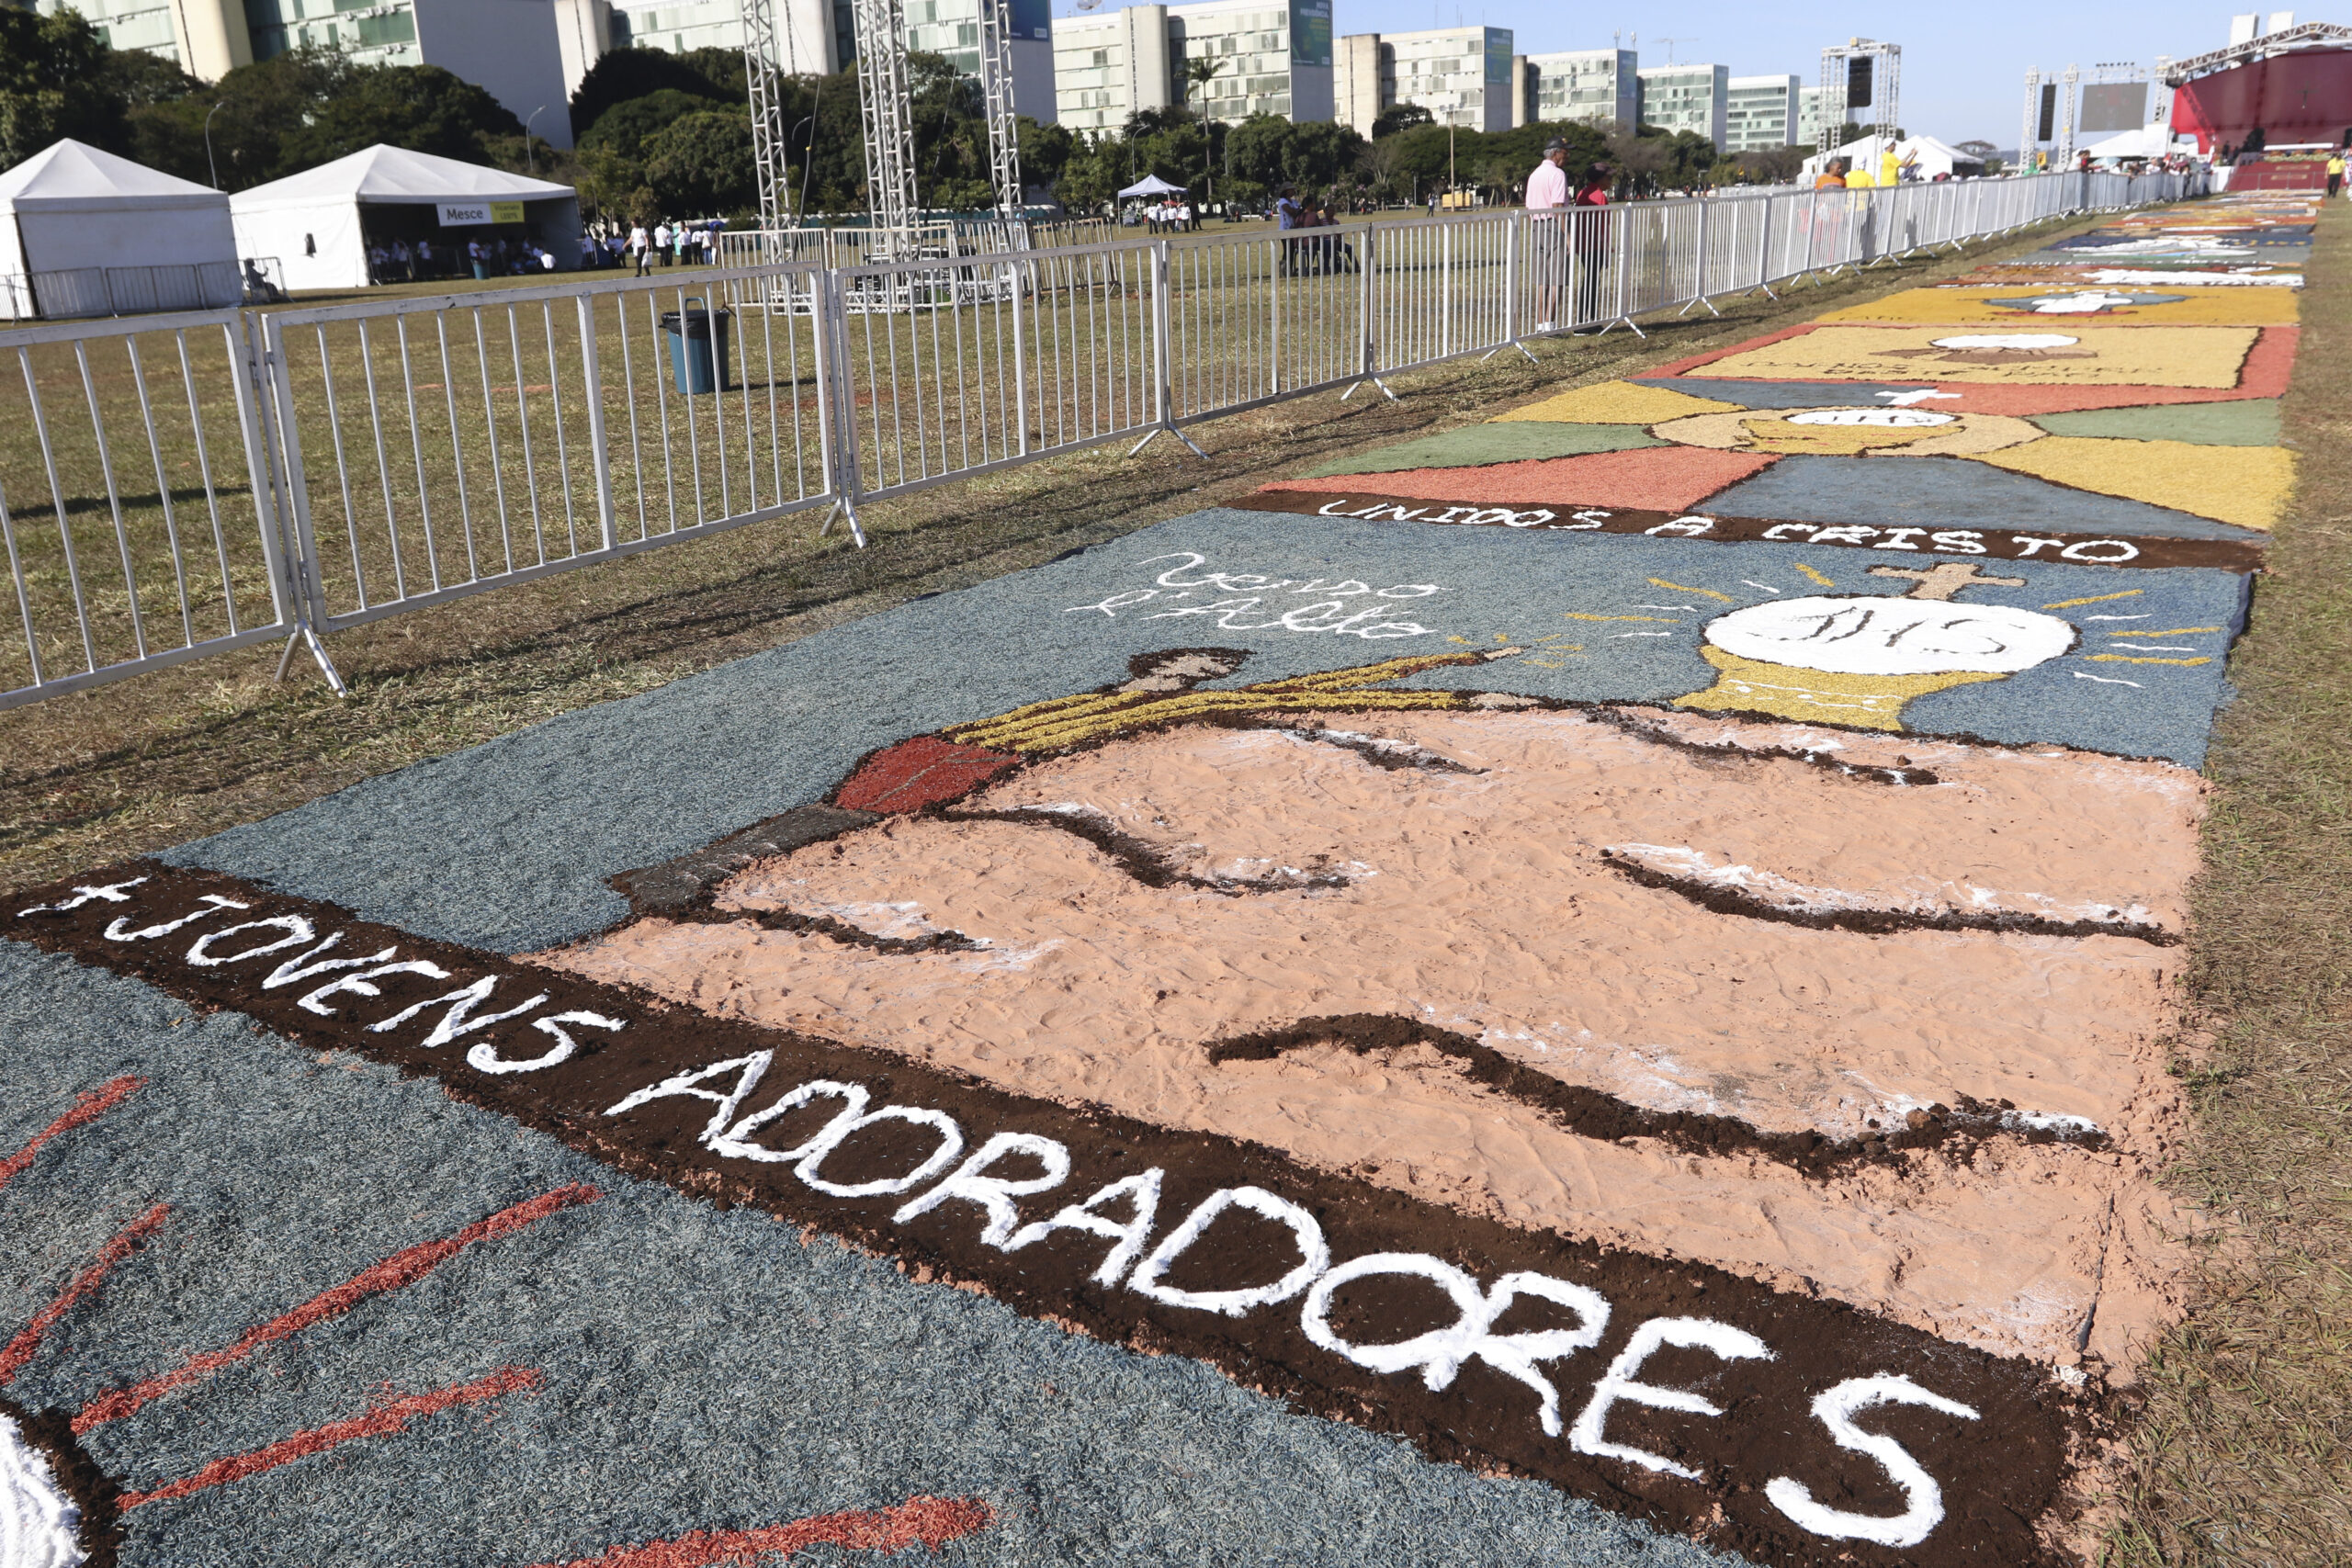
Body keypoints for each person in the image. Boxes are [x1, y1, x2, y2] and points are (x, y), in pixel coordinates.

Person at [1525, 135, 1571, 332]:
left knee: (1541, 279)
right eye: (1565, 152)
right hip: (1553, 226)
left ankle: (1540, 323)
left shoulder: (1535, 174)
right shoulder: (1557, 174)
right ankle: (1550, 323)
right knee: (1557, 277)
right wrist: (1567, 235)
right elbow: (1558, 205)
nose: (1567, 156)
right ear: (1555, 153)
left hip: (1537, 227)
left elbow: (1529, 206)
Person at [1569, 162, 1611, 328]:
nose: (1611, 181)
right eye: (1609, 177)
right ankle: (1586, 319)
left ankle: (1588, 317)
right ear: (1600, 179)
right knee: (1592, 281)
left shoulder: (1583, 192)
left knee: (1591, 280)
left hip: (1584, 243)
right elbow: (1600, 223)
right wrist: (1604, 244)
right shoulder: (1598, 195)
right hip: (1594, 245)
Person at [1274, 185, 1304, 276]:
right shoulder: (1282, 201)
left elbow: (1299, 211)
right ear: (1286, 191)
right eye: (1291, 190)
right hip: (1285, 229)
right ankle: (1284, 270)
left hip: (1293, 229)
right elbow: (1292, 212)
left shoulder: (1294, 201)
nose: (1293, 191)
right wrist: (1297, 211)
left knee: (1292, 250)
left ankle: (1289, 270)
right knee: (1287, 250)